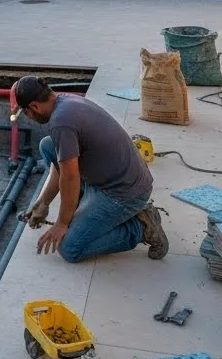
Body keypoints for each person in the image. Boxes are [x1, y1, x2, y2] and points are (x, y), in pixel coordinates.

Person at [13, 76, 168, 263]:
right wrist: (43, 202)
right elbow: (62, 165)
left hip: (124, 193)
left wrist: (62, 223)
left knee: (69, 247)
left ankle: (140, 227)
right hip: (117, 177)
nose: (29, 118)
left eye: (26, 113)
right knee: (48, 145)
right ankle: (85, 212)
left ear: (34, 106)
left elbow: (70, 177)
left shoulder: (61, 123)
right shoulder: (65, 101)